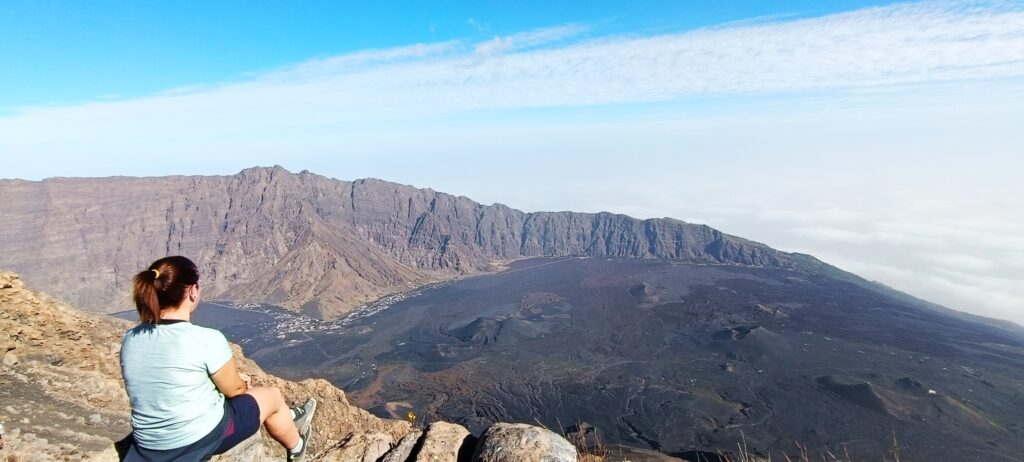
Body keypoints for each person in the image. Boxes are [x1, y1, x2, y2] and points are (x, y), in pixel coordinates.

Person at [117, 256, 315, 462]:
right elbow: (234, 390)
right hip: (198, 440)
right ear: (192, 291)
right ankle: (298, 447)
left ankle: (291, 417)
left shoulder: (131, 338)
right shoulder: (206, 339)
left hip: (149, 444)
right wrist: (241, 383)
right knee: (272, 396)